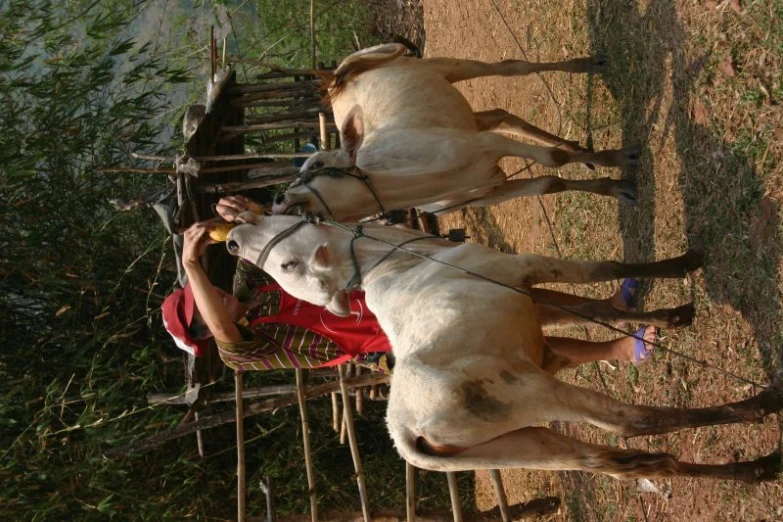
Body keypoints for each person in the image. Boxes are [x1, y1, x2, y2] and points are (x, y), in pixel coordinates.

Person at [161, 196, 658, 373]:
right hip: (396, 329)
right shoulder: (247, 352)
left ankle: (609, 306)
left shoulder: (254, 289)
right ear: (206, 332)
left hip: (395, 278)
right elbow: (230, 339)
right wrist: (193, 269)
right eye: (200, 310)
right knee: (521, 335)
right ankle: (616, 349)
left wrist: (242, 212)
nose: (211, 299)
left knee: (511, 292)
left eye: (199, 296)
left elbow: (267, 237)